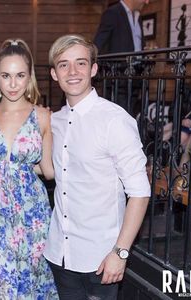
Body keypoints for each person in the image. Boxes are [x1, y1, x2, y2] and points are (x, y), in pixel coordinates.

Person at [44, 34, 150, 300]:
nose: (73, 71)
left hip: (101, 259)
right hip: (60, 253)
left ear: (93, 69)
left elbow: (139, 191)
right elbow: (51, 171)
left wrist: (120, 252)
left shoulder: (114, 121)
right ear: (54, 74)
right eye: (63, 64)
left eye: (81, 63)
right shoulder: (54, 121)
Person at [0, 38, 58, 299]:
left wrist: (22, 168)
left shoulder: (43, 116)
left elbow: (49, 170)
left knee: (26, 289)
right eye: (6, 75)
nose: (12, 83)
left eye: (20, 75)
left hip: (29, 216)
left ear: (29, 76)